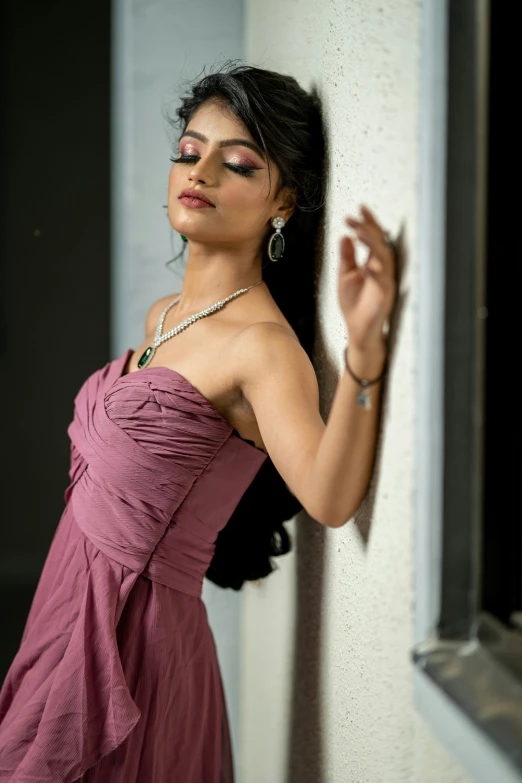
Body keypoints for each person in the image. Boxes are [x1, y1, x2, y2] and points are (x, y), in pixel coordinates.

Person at [0, 63, 396, 782]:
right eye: (190, 151)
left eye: (237, 162)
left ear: (285, 201)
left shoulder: (263, 346)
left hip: (135, 647)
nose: (202, 170)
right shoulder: (165, 315)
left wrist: (364, 361)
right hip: (68, 607)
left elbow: (330, 498)